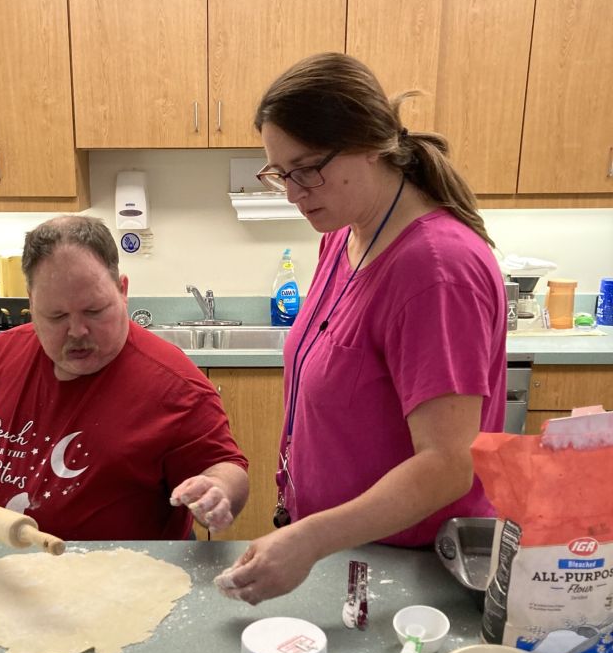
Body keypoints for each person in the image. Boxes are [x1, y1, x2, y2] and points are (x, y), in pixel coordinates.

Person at [216, 52, 507, 605]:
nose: (294, 191)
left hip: (410, 573)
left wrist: (310, 538)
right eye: (280, 172)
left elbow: (447, 465)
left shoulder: (435, 271)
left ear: (371, 144)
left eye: (307, 168)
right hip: (351, 553)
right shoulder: (344, 235)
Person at [0, 215, 248, 540]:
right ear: (31, 304)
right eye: (56, 315)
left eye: (94, 311)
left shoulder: (176, 387)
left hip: (112, 584)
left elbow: (225, 469)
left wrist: (217, 491)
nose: (77, 331)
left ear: (122, 291)